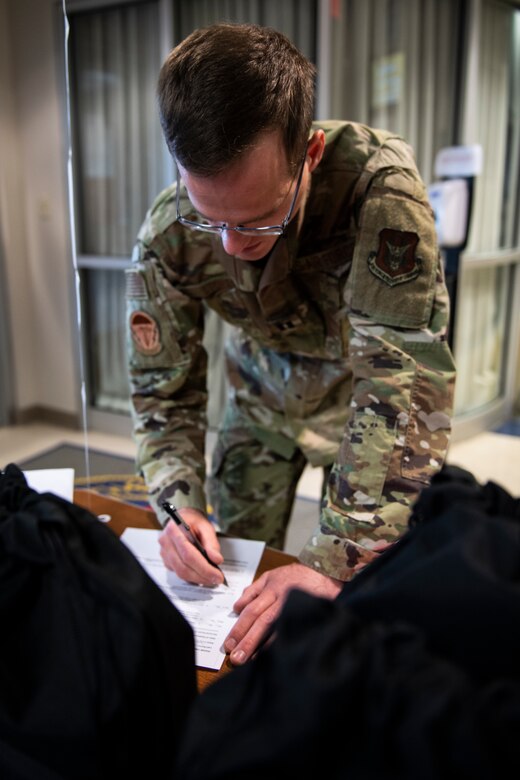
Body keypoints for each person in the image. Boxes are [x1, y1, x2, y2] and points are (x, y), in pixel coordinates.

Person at [126, 22, 456, 666]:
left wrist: (335, 558)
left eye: (257, 220)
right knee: (237, 596)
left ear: (308, 154)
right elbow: (160, 392)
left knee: (363, 600)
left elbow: (403, 379)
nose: (229, 245)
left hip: (366, 413)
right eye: (208, 216)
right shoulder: (168, 234)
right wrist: (176, 503)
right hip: (260, 407)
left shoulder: (377, 188)